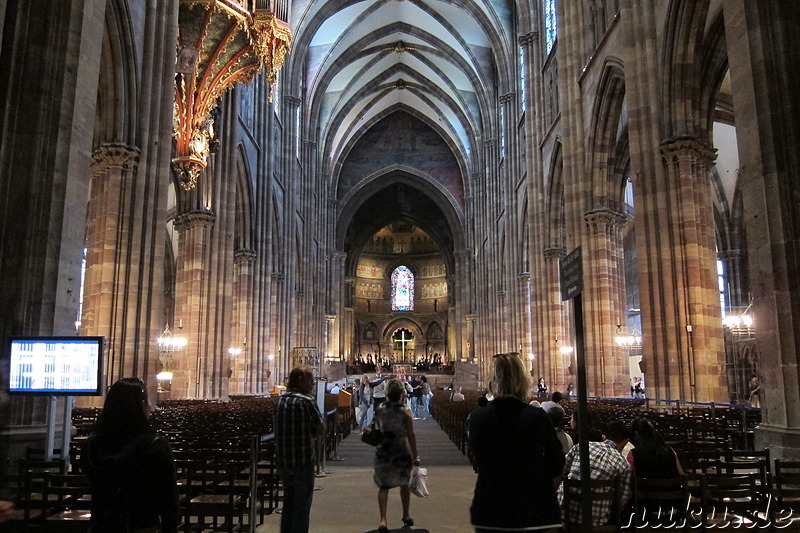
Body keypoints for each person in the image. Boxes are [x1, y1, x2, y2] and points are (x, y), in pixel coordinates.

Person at [467, 353, 564, 532]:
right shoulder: (537, 417)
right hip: (534, 509)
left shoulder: (477, 418)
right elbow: (557, 463)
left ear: (492, 380)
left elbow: (477, 459)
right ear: (523, 379)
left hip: (490, 510)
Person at [83, 377, 179, 532]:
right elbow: (169, 500)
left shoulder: (92, 446)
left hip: (103, 527)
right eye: (147, 401)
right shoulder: (155, 446)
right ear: (140, 405)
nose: (149, 406)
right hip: (142, 526)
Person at [560, 411, 632, 527]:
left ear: (605, 436)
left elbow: (560, 470)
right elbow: (622, 500)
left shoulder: (581, 447)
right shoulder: (623, 464)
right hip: (598, 522)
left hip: (565, 515)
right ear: (625, 442)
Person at [274, 365, 323, 533]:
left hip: (284, 460)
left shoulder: (279, 401)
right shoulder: (306, 401)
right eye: (310, 380)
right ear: (300, 380)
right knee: (302, 504)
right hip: (303, 459)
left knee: (288, 501)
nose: (313, 384)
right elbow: (320, 428)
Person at [373, 379, 419, 533]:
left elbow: (376, 428)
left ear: (387, 393)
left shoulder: (380, 409)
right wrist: (415, 455)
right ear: (401, 394)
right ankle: (406, 515)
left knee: (383, 486)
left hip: (384, 451)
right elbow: (411, 434)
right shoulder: (405, 411)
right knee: (404, 484)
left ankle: (383, 520)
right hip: (401, 451)